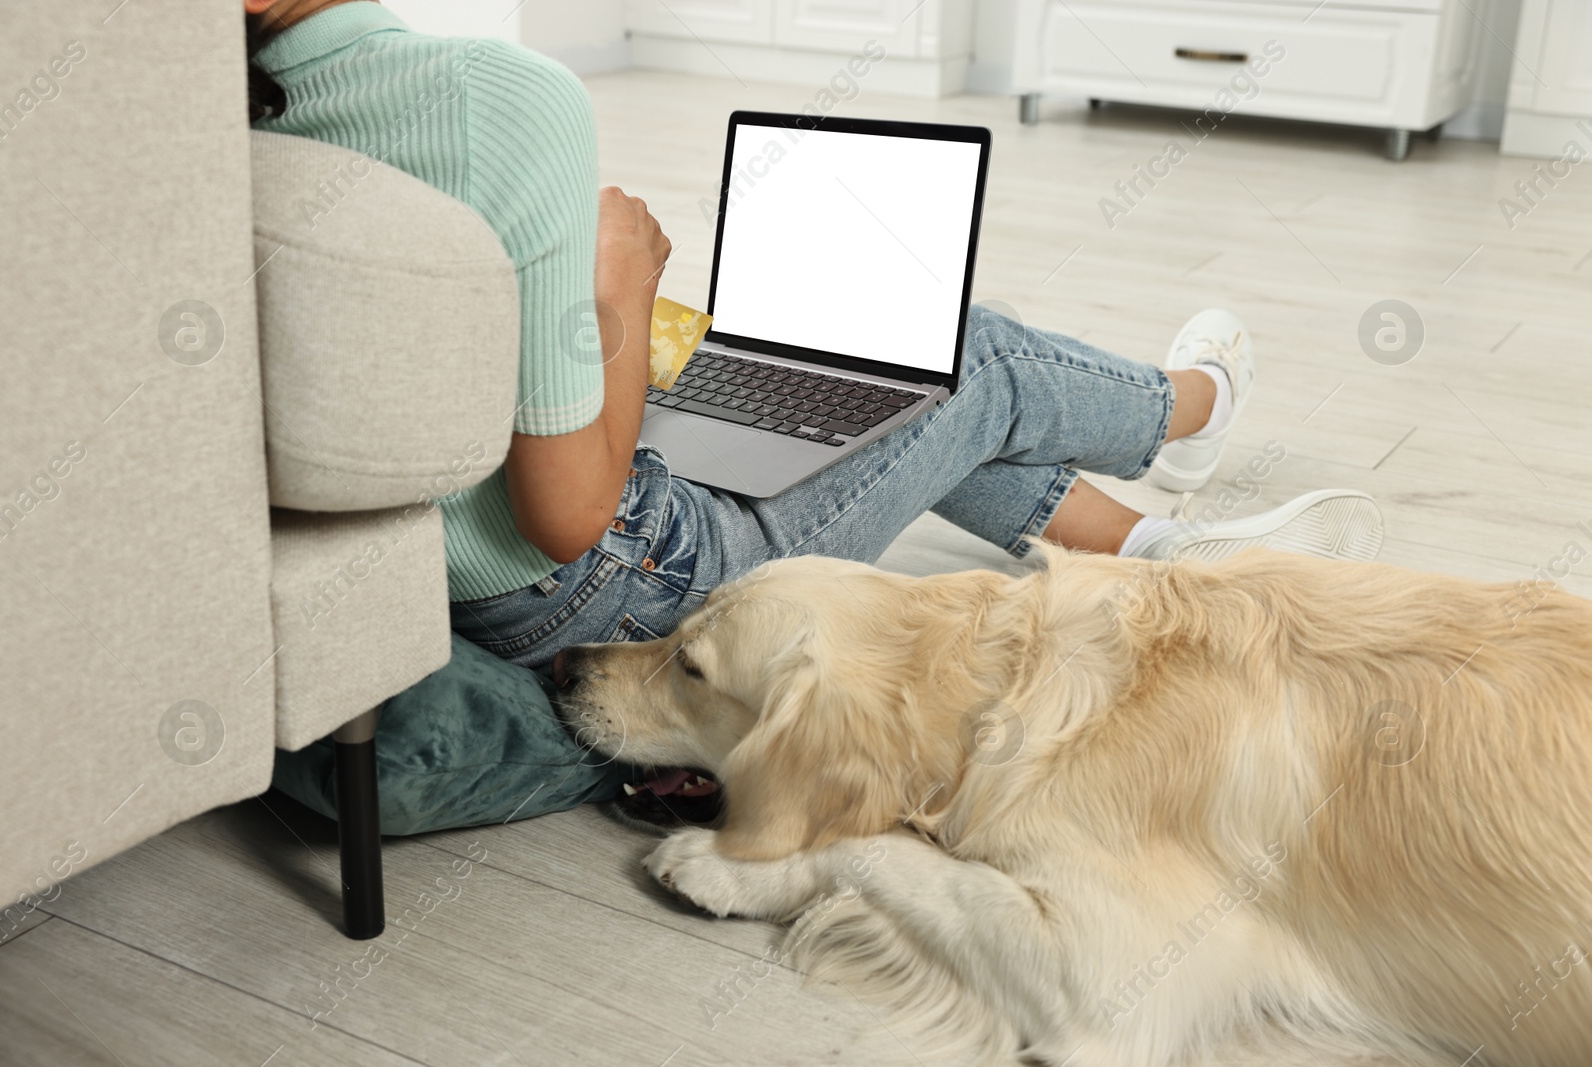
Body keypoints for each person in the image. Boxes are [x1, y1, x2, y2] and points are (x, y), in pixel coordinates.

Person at [248, 0, 1382, 828]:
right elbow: (567, 517)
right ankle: (1184, 410)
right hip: (603, 573)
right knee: (963, 358)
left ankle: (1150, 543)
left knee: (859, 406)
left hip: (417, 543)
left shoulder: (211, 121)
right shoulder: (497, 98)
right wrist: (619, 295)